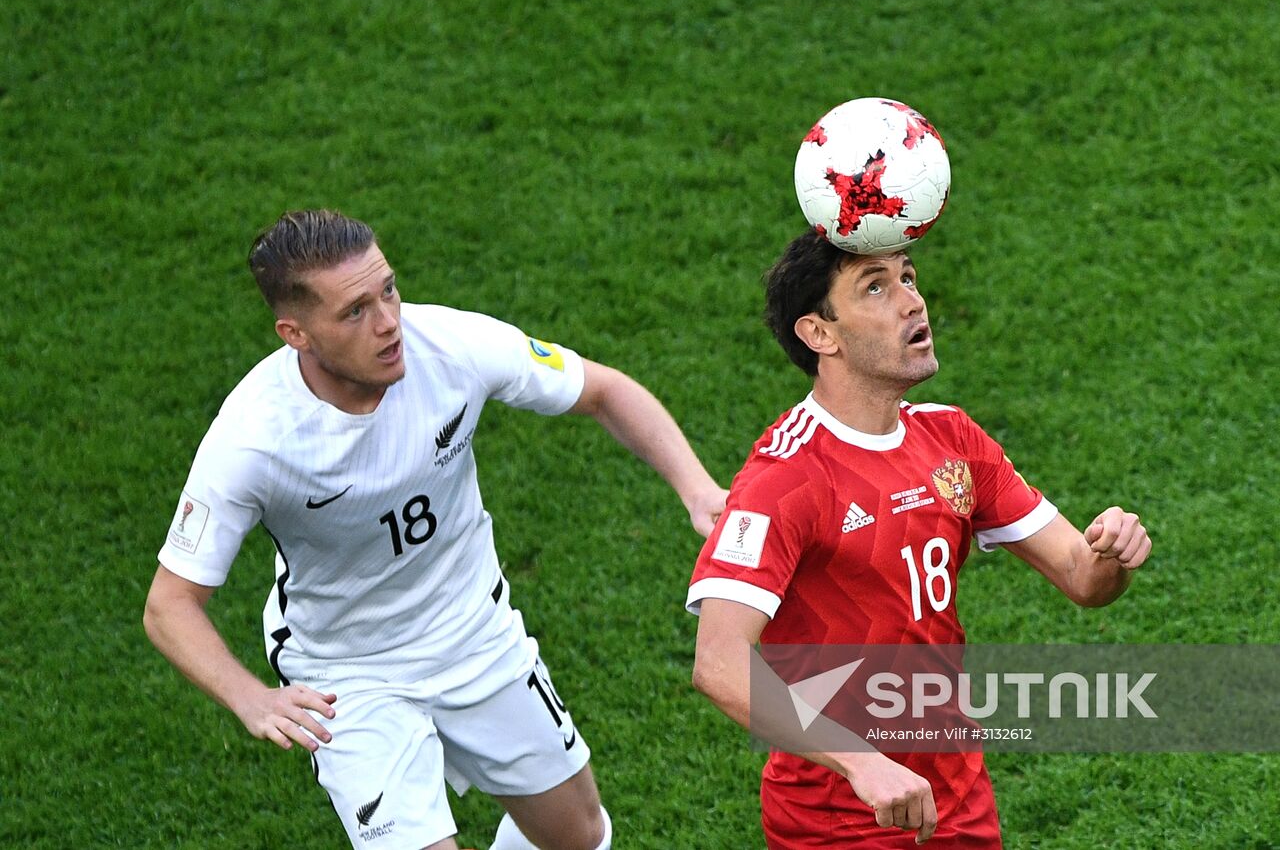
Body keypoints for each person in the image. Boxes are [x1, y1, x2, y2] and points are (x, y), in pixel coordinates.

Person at [144, 209, 727, 850]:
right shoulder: (253, 439)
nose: (390, 322)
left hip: (475, 634)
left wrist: (696, 488)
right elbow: (170, 605)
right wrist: (249, 698)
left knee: (578, 837)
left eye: (387, 289)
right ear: (296, 333)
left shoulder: (452, 346)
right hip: (349, 677)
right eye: (354, 311)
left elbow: (604, 391)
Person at [687, 230, 1153, 848]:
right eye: (874, 288)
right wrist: (861, 763)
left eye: (907, 277)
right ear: (820, 334)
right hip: (841, 816)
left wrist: (1110, 553)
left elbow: (1081, 578)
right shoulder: (788, 476)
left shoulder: (952, 440)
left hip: (957, 796)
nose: (912, 302)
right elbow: (719, 663)